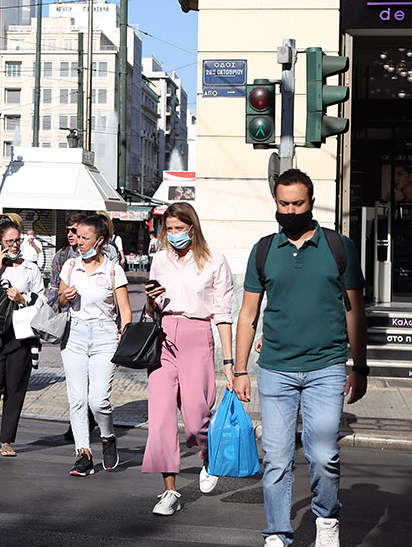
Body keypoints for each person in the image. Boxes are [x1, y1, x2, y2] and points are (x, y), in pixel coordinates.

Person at [233, 169, 368, 547]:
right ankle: (277, 532)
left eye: (298, 203)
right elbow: (248, 313)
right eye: (283, 204)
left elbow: (355, 312)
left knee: (323, 454)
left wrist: (360, 366)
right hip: (275, 370)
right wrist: (239, 369)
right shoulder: (263, 250)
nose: (290, 211)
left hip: (327, 368)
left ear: (311, 202)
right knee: (276, 457)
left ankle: (326, 518)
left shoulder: (339, 247)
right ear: (275, 203)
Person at [143, 201, 234, 516]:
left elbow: (223, 314)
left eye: (179, 228)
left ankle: (209, 457)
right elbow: (151, 309)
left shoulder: (214, 261)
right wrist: (150, 302)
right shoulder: (160, 260)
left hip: (197, 337)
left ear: (192, 229)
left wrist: (230, 364)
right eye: (169, 229)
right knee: (160, 419)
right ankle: (169, 491)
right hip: (164, 337)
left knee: (196, 419)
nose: (174, 234)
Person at [56, 214, 132, 476]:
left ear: (99, 240)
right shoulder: (70, 266)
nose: (79, 242)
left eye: (85, 238)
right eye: (78, 237)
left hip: (105, 336)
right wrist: (65, 297)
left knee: (98, 401)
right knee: (77, 399)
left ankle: (108, 436)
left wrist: (123, 338)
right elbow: (59, 301)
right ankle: (83, 454)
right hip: (74, 335)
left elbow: (125, 310)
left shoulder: (113, 269)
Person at [0, 219, 46, 457]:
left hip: (21, 334)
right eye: (9, 241)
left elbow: (42, 300)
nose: (14, 245)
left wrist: (23, 299)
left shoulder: (30, 268)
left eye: (17, 241)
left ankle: (7, 440)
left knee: (15, 389)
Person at [47, 213, 86, 308]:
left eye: (74, 231)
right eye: (67, 231)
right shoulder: (61, 256)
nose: (69, 234)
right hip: (68, 312)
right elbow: (54, 288)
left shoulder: (100, 256)